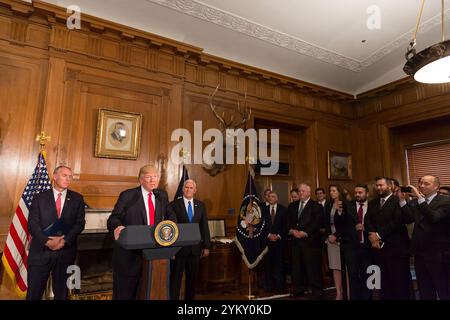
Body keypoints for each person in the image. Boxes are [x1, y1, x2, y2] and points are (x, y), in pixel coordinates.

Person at [107, 165, 174, 300]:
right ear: (141, 180)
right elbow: (114, 218)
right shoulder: (128, 195)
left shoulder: (162, 195)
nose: (152, 180)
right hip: (129, 257)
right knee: (125, 295)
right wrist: (118, 227)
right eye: (148, 177)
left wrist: (172, 229)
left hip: (152, 256)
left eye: (155, 176)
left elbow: (171, 217)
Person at [27, 165, 86, 300]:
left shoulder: (77, 199)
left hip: (65, 252)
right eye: (65, 175)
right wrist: (47, 241)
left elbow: (80, 224)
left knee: (62, 294)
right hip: (41, 252)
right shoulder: (39, 198)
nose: (68, 179)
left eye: (70, 176)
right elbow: (32, 224)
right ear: (55, 176)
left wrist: (64, 241)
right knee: (34, 294)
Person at [399, 175, 450, 300]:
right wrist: (402, 201)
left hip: (438, 253)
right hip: (420, 252)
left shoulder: (445, 201)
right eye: (421, 183)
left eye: (426, 184)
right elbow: (408, 219)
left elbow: (433, 218)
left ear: (436, 187)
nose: (421, 186)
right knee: (424, 288)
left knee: (443, 287)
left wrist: (420, 199)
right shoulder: (415, 202)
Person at [364, 177, 411, 300]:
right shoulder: (373, 202)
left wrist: (378, 235)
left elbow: (397, 221)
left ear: (389, 186)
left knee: (399, 282)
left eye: (381, 185)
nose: (378, 188)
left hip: (396, 249)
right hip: (378, 248)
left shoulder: (398, 201)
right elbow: (367, 220)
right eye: (377, 185)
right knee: (384, 282)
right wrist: (373, 237)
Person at [169, 179, 211, 300]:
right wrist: (171, 249)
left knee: (192, 280)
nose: (188, 190)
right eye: (186, 187)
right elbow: (171, 228)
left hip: (195, 250)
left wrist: (206, 246)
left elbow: (204, 227)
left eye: (191, 188)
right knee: (175, 280)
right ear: (183, 189)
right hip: (179, 250)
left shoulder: (201, 205)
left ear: (195, 190)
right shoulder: (174, 205)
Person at [335, 184, 373, 300]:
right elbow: (340, 223)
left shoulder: (373, 206)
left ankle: (367, 297)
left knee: (368, 274)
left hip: (368, 246)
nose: (357, 195)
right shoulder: (348, 205)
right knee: (352, 274)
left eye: (360, 192)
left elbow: (379, 223)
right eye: (356, 192)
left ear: (367, 193)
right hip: (351, 246)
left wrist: (365, 227)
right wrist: (339, 212)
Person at [286, 183, 324, 299]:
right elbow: (287, 221)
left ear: (308, 192)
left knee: (313, 268)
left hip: (311, 242)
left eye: (303, 191)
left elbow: (317, 223)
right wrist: (292, 230)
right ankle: (298, 290)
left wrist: (305, 232)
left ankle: (317, 291)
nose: (300, 193)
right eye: (299, 191)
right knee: (297, 268)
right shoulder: (292, 205)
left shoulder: (316, 206)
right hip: (295, 242)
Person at [262, 191, 287, 293]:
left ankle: (280, 287)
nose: (270, 198)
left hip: (279, 242)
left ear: (277, 199)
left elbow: (285, 226)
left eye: (273, 196)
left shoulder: (283, 210)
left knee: (279, 265)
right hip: (267, 242)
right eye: (269, 196)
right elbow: (261, 225)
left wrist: (278, 236)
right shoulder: (263, 210)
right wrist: (268, 235)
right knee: (268, 265)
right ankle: (269, 287)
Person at [324, 184, 345, 300]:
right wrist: (329, 235)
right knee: (335, 267)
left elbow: (346, 223)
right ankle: (339, 293)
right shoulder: (328, 205)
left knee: (344, 267)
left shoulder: (345, 204)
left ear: (339, 192)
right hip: (330, 240)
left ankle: (347, 292)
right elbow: (326, 223)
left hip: (341, 239)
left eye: (334, 190)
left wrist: (336, 236)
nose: (332, 193)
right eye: (330, 191)